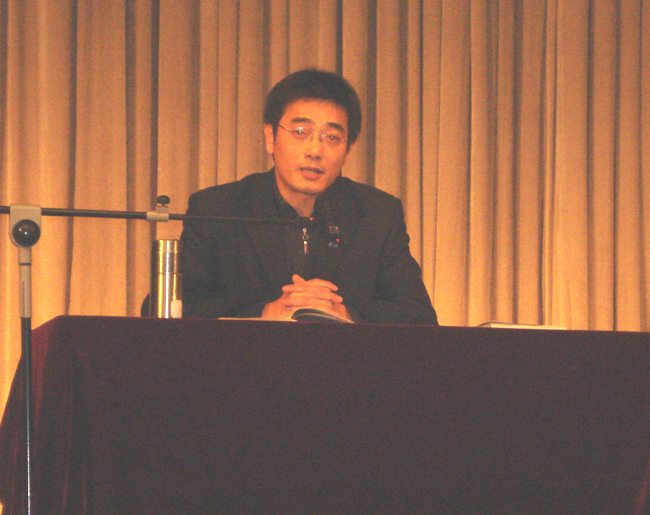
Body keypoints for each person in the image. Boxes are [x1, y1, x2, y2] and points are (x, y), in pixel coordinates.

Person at [180, 68, 438, 325]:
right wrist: (265, 313)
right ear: (270, 137)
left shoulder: (377, 214)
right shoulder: (216, 210)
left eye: (332, 137)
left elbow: (420, 316)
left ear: (348, 149)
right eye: (300, 132)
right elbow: (176, 308)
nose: (315, 150)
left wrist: (344, 314)